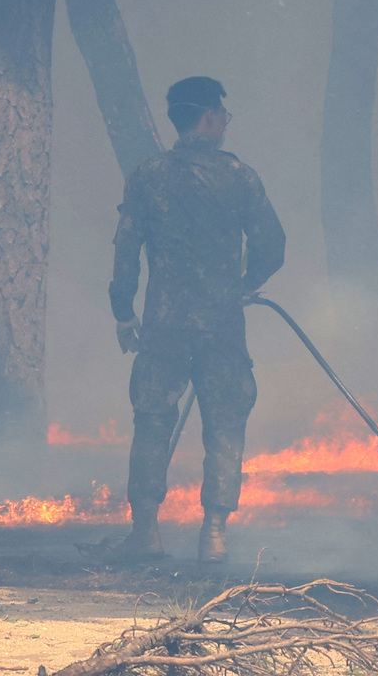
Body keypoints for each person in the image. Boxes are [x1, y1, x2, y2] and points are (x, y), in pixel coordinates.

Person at [111, 75, 286, 561]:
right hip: (222, 325)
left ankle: (146, 534)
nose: (225, 122)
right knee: (226, 422)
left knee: (151, 419)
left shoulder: (148, 176)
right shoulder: (240, 178)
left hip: (164, 326)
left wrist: (123, 313)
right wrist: (244, 284)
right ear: (209, 118)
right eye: (223, 114)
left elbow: (125, 250)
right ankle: (213, 536)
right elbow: (273, 245)